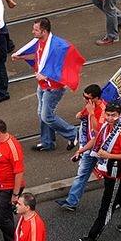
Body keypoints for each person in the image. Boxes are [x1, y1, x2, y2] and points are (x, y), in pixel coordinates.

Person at [12, 18, 85, 151]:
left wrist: (46, 75)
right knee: (42, 113)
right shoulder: (40, 42)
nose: (32, 32)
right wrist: (21, 57)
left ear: (44, 31)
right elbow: (37, 56)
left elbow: (62, 65)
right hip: (43, 85)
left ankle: (73, 133)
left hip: (53, 88)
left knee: (47, 116)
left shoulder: (57, 46)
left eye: (36, 30)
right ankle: (47, 142)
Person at [78, 102, 121, 241]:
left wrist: (108, 155)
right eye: (108, 115)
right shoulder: (106, 127)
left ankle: (92, 237)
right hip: (107, 169)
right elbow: (96, 140)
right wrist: (80, 151)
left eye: (113, 115)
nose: (110, 118)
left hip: (116, 172)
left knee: (107, 205)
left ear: (119, 115)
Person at [56, 84, 106, 211]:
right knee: (82, 174)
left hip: (101, 149)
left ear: (94, 98)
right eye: (83, 96)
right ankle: (71, 202)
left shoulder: (103, 110)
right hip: (90, 147)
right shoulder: (91, 105)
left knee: (109, 177)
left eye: (86, 97)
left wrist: (91, 113)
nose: (84, 99)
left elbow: (97, 132)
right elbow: (83, 114)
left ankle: (117, 199)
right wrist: (82, 113)